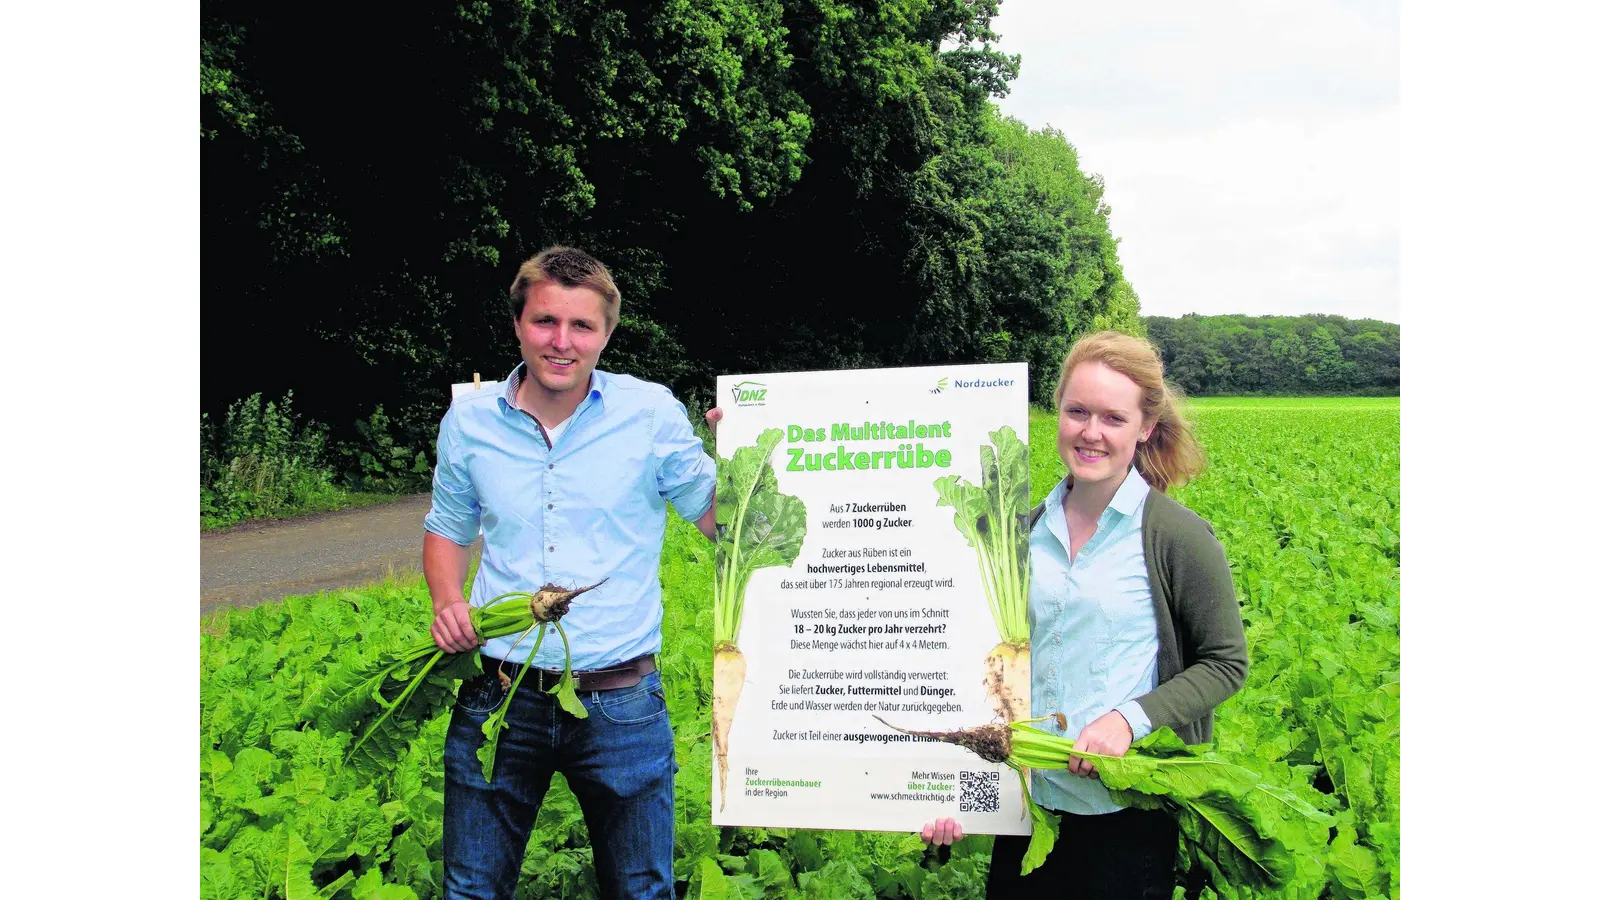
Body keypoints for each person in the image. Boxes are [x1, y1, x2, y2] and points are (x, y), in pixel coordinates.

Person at [422, 246, 719, 900]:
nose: (562, 342)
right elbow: (447, 527)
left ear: (608, 333)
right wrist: (449, 599)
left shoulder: (650, 414)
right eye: (544, 321)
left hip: (621, 701)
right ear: (518, 323)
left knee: (642, 891)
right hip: (501, 694)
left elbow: (717, 523)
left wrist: (751, 450)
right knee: (471, 890)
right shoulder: (469, 422)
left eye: (582, 326)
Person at [919, 330, 1249, 898]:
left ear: (1145, 427)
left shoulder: (1176, 538)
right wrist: (949, 796)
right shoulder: (1017, 534)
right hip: (1026, 811)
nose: (1090, 432)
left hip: (1126, 819)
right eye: (1077, 412)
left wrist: (1129, 720)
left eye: (1113, 418)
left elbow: (1224, 662)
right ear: (1058, 415)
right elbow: (981, 666)